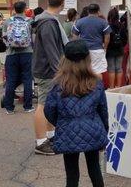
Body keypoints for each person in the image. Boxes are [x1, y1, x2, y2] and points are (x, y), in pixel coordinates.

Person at [44, 39, 108, 187]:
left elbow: (49, 110)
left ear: (65, 60)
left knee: (72, 175)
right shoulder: (96, 82)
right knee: (95, 170)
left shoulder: (58, 84)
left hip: (67, 131)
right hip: (92, 130)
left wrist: (61, 122)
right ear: (87, 59)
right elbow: (103, 110)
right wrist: (104, 129)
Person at [33, 0, 68, 155]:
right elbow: (51, 50)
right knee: (42, 104)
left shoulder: (45, 19)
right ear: (62, 3)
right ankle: (41, 142)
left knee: (48, 104)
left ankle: (50, 136)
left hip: (45, 69)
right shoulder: (48, 21)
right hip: (47, 71)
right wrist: (59, 71)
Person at [3, 1, 34, 114]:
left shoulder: (7, 21)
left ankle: (9, 108)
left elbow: (4, 38)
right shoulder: (29, 21)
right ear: (25, 9)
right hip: (27, 53)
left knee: (10, 80)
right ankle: (27, 106)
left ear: (14, 9)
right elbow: (33, 38)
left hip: (11, 54)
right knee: (27, 79)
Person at [72, 3, 111, 76]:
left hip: (84, 50)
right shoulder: (103, 22)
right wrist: (105, 47)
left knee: (85, 71)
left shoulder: (79, 22)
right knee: (98, 72)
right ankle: (98, 87)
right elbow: (107, 37)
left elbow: (74, 36)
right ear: (98, 11)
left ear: (88, 11)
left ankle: (86, 87)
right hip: (98, 49)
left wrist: (78, 46)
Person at [106, 7, 127, 88]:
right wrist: (121, 45)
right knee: (119, 68)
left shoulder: (107, 26)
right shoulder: (121, 25)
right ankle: (118, 86)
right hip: (120, 50)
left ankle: (111, 87)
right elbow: (125, 38)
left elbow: (106, 38)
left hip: (110, 50)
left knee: (111, 68)